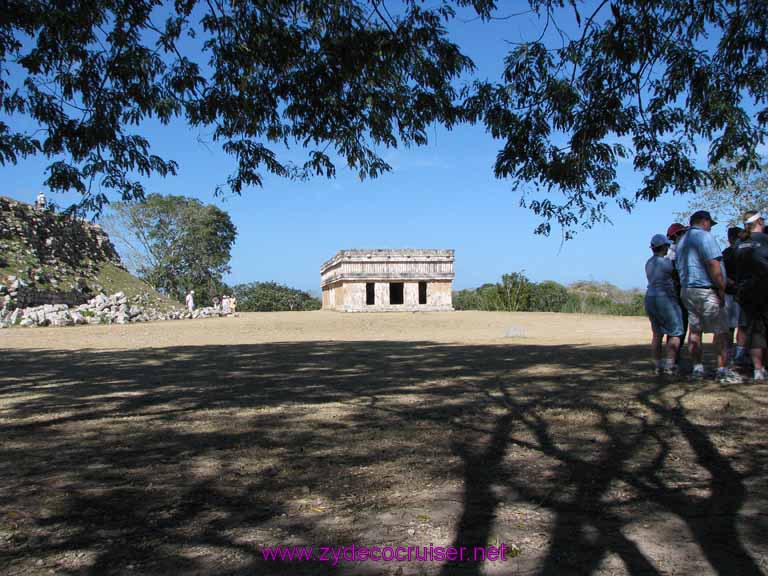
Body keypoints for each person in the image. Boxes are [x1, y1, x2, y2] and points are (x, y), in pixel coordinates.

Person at [675, 210, 742, 383]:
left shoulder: (682, 241)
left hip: (688, 290)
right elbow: (713, 264)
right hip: (706, 290)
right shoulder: (705, 237)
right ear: (704, 221)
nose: (710, 228)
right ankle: (722, 371)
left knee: (695, 330)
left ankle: (697, 369)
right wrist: (721, 288)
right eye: (710, 224)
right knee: (721, 331)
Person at [734, 210, 768, 382]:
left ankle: (758, 369)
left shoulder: (739, 243)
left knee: (754, 332)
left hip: (745, 292)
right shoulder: (764, 240)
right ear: (760, 222)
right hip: (764, 290)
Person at [645, 234, 684, 375]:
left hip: (650, 297)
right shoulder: (666, 263)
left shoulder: (649, 262)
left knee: (657, 334)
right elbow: (677, 274)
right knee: (675, 332)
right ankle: (670, 364)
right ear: (664, 247)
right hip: (665, 298)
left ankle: (657, 365)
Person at [722, 226, 748, 365]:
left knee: (736, 326)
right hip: (734, 293)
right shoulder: (730, 253)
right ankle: (736, 355)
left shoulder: (729, 253)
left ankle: (735, 355)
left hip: (735, 293)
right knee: (737, 326)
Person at [666, 222, 689, 362]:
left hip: (675, 293)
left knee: (678, 327)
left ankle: (674, 357)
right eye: (682, 233)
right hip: (676, 293)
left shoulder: (673, 251)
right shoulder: (674, 252)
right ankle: (673, 359)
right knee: (678, 327)